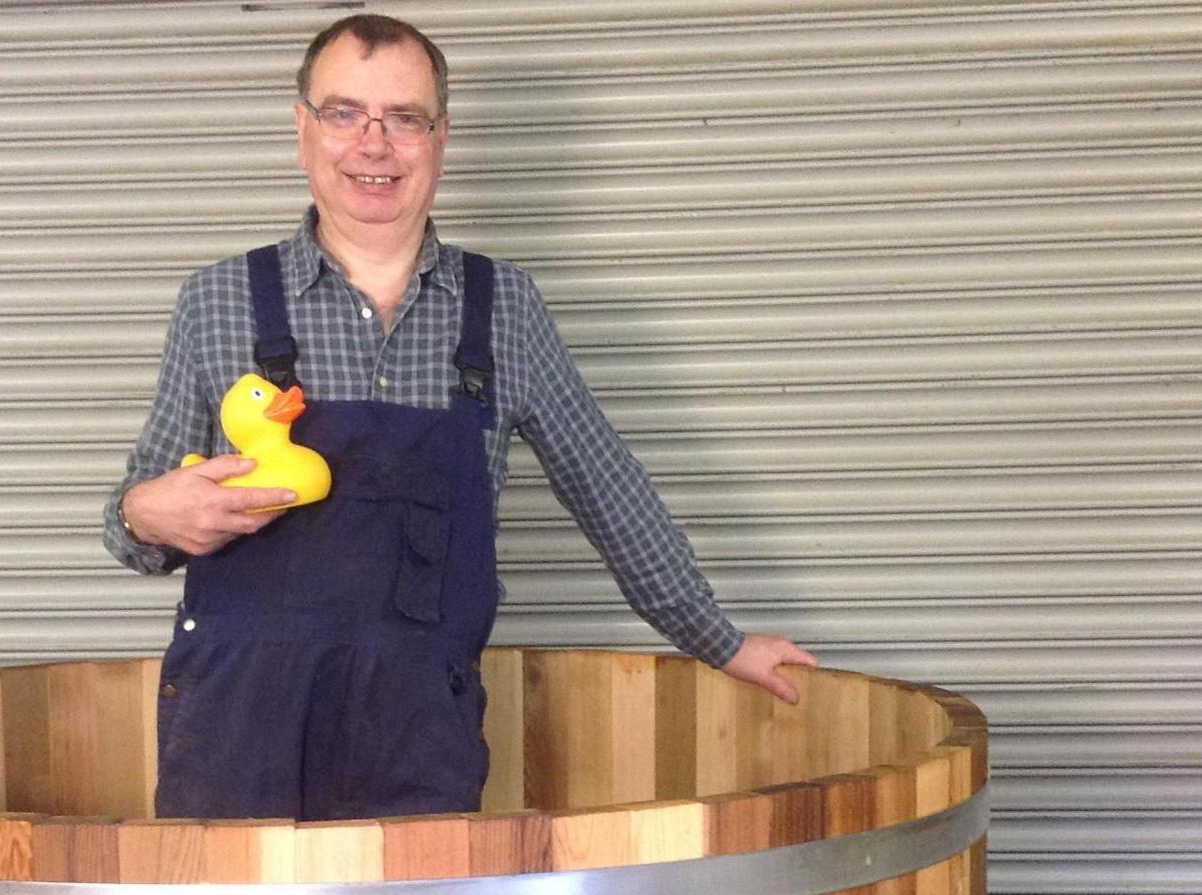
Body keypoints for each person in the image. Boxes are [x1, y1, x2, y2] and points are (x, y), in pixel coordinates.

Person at [105, 14, 815, 821]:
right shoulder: (218, 303)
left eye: (404, 119)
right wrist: (146, 511)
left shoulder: (502, 310)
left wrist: (717, 639)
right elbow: (133, 525)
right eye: (344, 113)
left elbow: (611, 491)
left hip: (415, 734)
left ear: (441, 139)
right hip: (235, 731)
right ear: (302, 130)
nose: (374, 145)